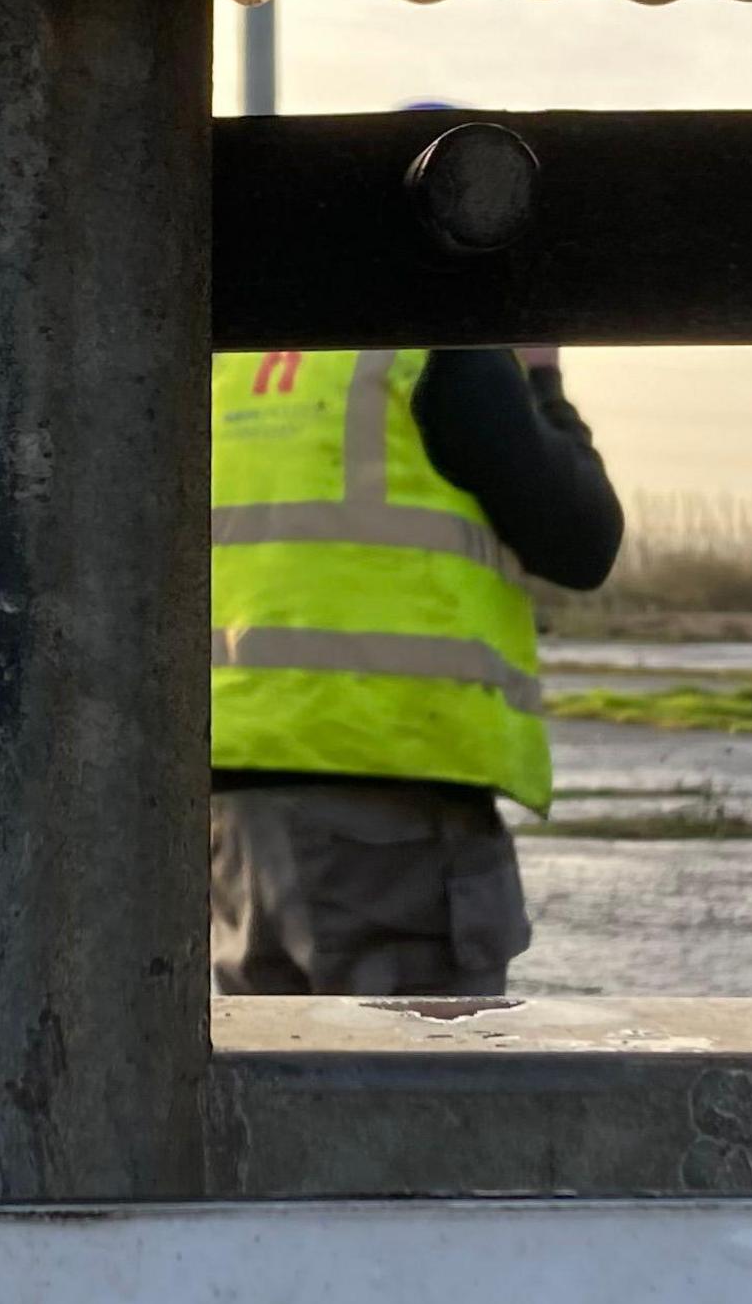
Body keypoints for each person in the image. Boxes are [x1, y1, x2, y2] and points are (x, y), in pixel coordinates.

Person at [209, 343, 622, 996]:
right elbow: (581, 538)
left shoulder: (231, 349)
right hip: (391, 801)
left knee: (266, 1080)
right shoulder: (428, 336)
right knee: (407, 1083)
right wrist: (544, 379)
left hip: (236, 807)